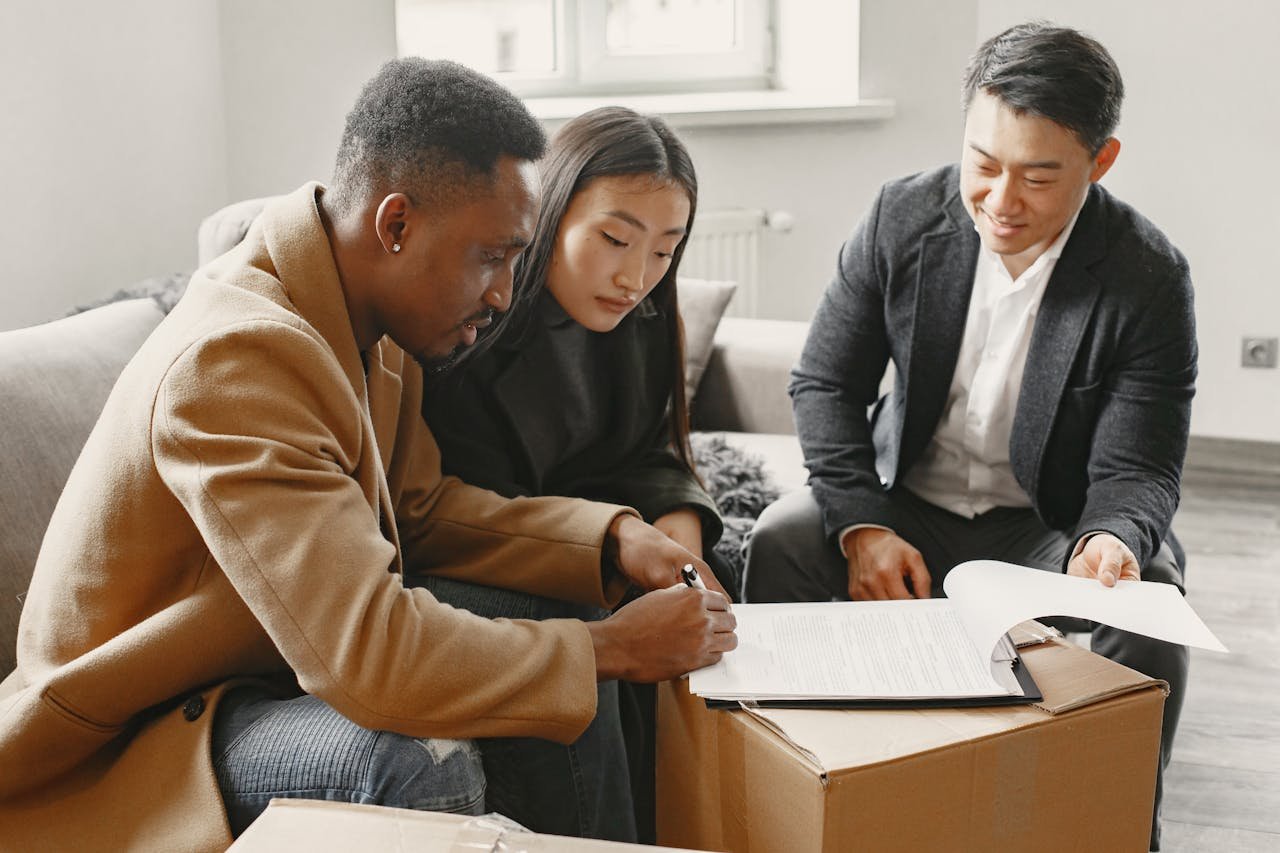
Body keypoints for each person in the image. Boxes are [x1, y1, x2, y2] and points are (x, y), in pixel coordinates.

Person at [0, 59, 735, 851]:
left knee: (560, 626)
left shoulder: (365, 321)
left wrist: (612, 538)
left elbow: (421, 512)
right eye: (491, 257)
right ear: (395, 225)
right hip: (142, 732)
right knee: (415, 757)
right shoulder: (239, 361)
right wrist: (613, 649)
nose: (503, 293)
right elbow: (372, 659)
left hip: (268, 666)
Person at [742, 22, 1195, 850]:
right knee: (780, 540)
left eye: (1038, 176)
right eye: (983, 164)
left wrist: (1108, 538)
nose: (999, 200)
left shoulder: (1146, 274)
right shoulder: (900, 216)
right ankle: (793, 798)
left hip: (1048, 522)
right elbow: (826, 382)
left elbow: (1139, 464)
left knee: (1151, 591)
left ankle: (1122, 828)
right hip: (903, 500)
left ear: (1101, 162)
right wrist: (862, 522)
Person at [420, 106, 725, 843]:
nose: (635, 275)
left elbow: (648, 454)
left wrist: (683, 543)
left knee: (711, 600)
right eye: (615, 239)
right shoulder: (467, 327)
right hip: (478, 555)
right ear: (550, 214)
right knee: (587, 627)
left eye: (665, 249)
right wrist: (616, 552)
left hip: (595, 541)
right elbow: (460, 520)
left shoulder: (642, 316)